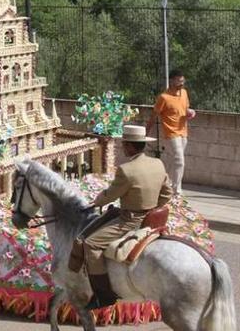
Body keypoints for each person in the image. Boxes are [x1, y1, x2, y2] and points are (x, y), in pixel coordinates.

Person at [68, 124, 173, 310]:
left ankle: (103, 295)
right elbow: (167, 193)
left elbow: (110, 196)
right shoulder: (158, 163)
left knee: (90, 244)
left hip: (130, 221)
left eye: (124, 144)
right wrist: (152, 207)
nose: (123, 147)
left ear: (131, 146)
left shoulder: (126, 170)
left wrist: (97, 201)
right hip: (151, 217)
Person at [146, 69, 195, 195]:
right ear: (172, 81)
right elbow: (154, 115)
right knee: (179, 160)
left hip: (183, 131)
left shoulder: (184, 93)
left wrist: (190, 112)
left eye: (183, 81)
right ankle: (176, 190)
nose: (181, 83)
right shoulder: (164, 97)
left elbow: (186, 108)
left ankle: (166, 184)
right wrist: (146, 132)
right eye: (179, 81)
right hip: (171, 132)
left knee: (176, 161)